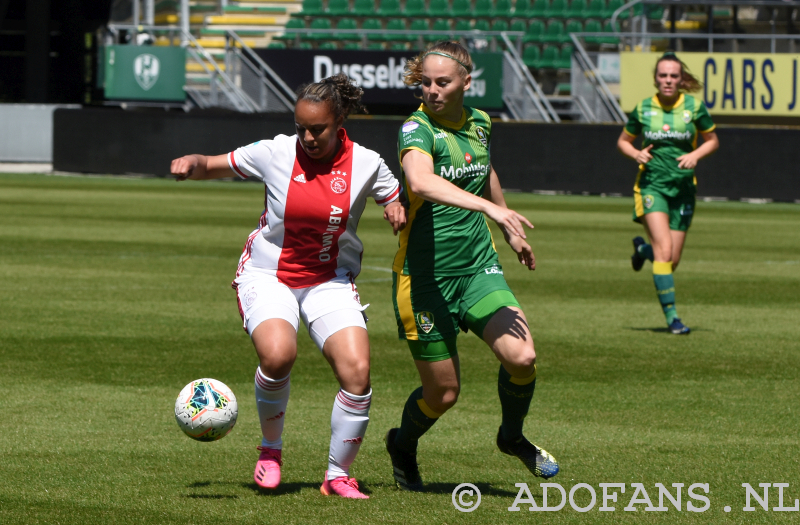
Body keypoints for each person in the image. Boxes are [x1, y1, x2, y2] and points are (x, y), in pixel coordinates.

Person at [170, 74, 406, 499]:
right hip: (268, 273)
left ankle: (337, 476)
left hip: (329, 279)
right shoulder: (275, 152)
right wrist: (193, 163)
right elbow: (214, 163)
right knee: (279, 355)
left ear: (340, 123)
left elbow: (391, 192)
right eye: (302, 128)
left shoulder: (367, 162)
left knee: (357, 372)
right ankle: (270, 452)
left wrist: (393, 207)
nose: (309, 137)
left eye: (318, 129)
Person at [384, 41, 559, 492]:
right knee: (443, 395)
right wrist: (493, 210)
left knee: (523, 357)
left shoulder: (479, 122)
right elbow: (421, 180)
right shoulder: (416, 129)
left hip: (478, 268)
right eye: (425, 82)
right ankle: (402, 445)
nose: (432, 91)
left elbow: (484, 169)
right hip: (423, 280)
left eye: (442, 82)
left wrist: (508, 226)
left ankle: (511, 436)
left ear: (466, 81)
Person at [617, 52, 719, 335]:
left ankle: (641, 250)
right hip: (652, 186)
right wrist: (636, 153)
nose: (668, 80)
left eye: (673, 76)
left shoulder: (694, 108)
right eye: (663, 75)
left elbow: (712, 140)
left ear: (681, 79)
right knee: (664, 253)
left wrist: (696, 154)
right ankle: (673, 318)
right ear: (655, 78)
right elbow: (624, 141)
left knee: (671, 260)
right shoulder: (644, 109)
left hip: (684, 189)